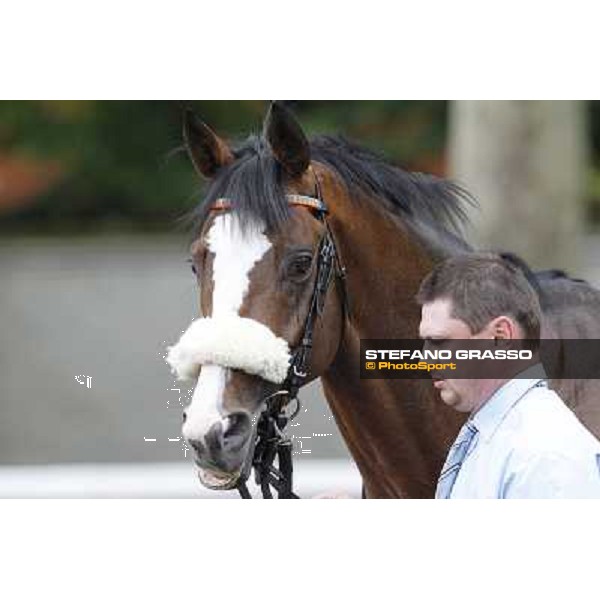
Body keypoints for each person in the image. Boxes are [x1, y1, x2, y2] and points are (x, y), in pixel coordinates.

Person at [416, 252, 600, 499]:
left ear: (500, 337)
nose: (425, 357)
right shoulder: (495, 438)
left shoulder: (545, 455)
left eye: (438, 341)